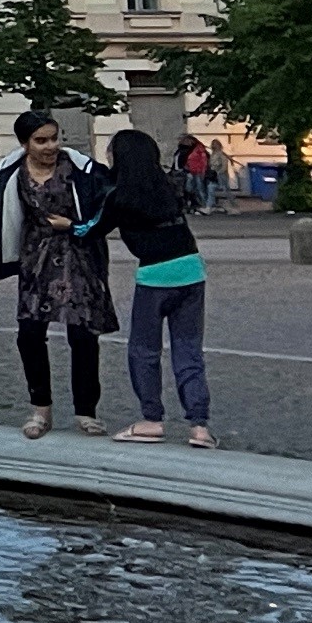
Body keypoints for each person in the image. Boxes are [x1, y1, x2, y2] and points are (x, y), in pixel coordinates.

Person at [0, 110, 117, 438]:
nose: (51, 146)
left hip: (78, 257)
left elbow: (112, 206)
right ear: (25, 143)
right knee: (29, 334)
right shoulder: (12, 172)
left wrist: (79, 227)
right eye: (41, 140)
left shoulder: (82, 169)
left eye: (54, 138)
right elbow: (2, 219)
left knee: (83, 336)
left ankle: (86, 411)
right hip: (35, 259)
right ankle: (40, 410)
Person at [101, 126, 216, 448]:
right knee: (188, 350)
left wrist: (67, 225)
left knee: (144, 351)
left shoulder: (120, 196)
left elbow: (90, 230)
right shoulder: (168, 186)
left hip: (154, 278)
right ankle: (199, 427)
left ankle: (151, 420)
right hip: (191, 271)